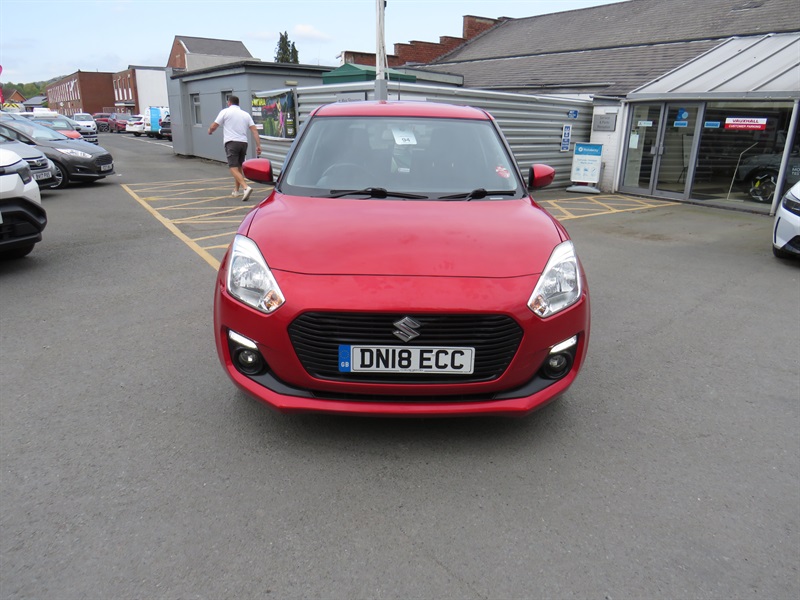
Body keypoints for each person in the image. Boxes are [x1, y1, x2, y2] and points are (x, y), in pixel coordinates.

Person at [208, 95, 262, 201]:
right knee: (239, 167)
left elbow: (214, 126)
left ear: (229, 103)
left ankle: (245, 187)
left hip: (231, 143)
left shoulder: (225, 112)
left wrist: (210, 130)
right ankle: (236, 191)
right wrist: (258, 145)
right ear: (238, 103)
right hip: (243, 143)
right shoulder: (245, 114)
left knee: (233, 168)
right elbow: (254, 130)